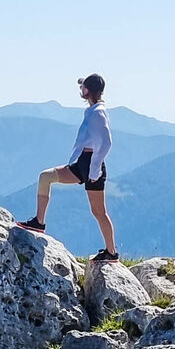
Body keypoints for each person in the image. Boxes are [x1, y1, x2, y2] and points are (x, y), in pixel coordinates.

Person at [16, 73, 118, 261]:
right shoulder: (94, 109)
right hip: (82, 163)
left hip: (90, 165)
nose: (81, 90)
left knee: (99, 211)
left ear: (88, 90)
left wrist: (95, 170)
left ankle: (111, 252)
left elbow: (106, 143)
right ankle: (39, 222)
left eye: (83, 87)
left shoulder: (98, 112)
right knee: (45, 177)